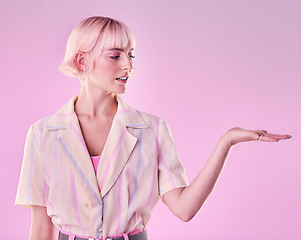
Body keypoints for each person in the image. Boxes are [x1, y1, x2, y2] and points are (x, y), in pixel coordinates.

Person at [15, 16, 291, 240]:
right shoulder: (43, 134)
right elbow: (41, 228)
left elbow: (184, 209)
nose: (129, 65)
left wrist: (227, 141)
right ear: (82, 61)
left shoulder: (153, 130)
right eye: (115, 55)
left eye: (131, 54)